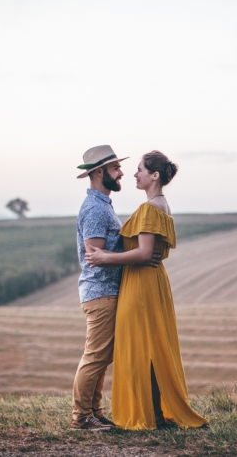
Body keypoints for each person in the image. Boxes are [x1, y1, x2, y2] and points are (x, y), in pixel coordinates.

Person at [85, 150, 208, 430]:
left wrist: (106, 258)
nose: (134, 174)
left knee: (140, 349)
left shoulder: (150, 208)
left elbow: (144, 253)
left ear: (155, 176)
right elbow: (148, 252)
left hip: (141, 284)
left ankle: (148, 414)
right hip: (151, 282)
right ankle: (153, 411)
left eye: (140, 169)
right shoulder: (161, 205)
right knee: (149, 348)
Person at [71, 145, 160, 431]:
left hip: (106, 292)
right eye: (115, 168)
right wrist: (139, 255)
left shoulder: (103, 205)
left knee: (102, 356)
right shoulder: (96, 209)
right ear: (99, 173)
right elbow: (95, 256)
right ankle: (81, 418)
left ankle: (94, 412)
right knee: (96, 355)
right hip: (101, 292)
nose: (122, 172)